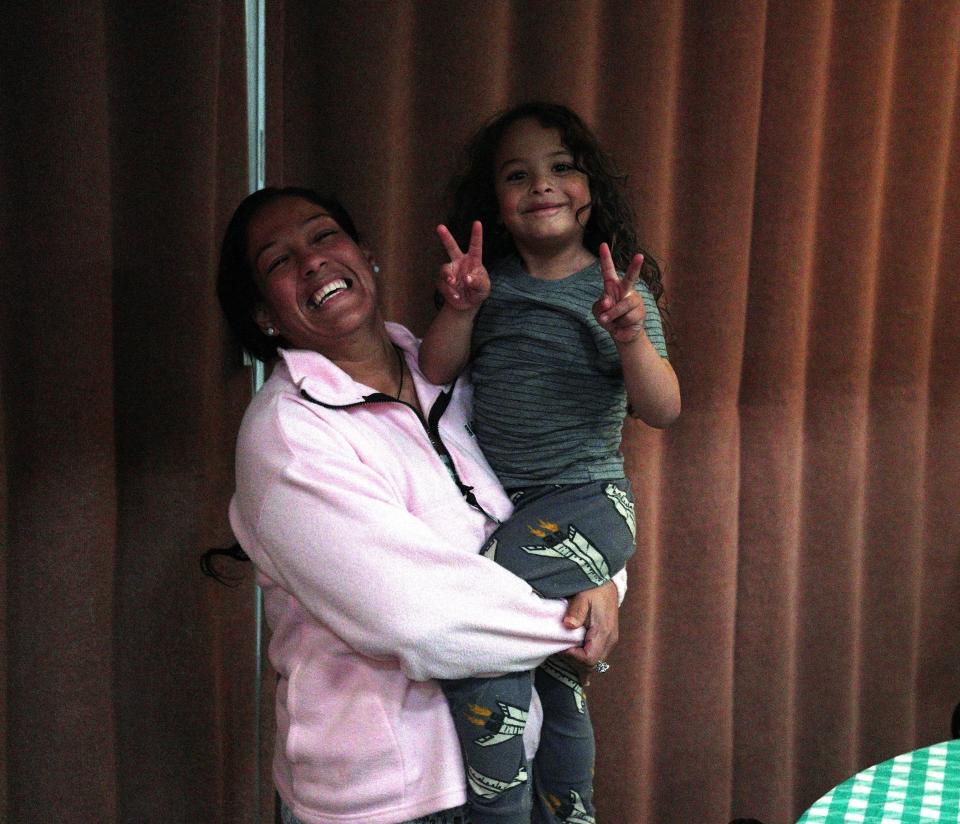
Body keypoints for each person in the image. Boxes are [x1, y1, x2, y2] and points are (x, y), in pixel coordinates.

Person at [212, 185, 625, 824]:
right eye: (278, 261)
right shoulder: (286, 435)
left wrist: (606, 581)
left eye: (324, 236)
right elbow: (422, 622)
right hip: (388, 798)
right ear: (264, 315)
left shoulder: (456, 363)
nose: (312, 261)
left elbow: (566, 483)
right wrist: (577, 620)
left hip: (519, 752)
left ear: (365, 255)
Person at [418, 102, 681, 824]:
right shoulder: (491, 285)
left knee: (479, 643)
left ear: (590, 188)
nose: (543, 185)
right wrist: (462, 308)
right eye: (518, 175)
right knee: (558, 685)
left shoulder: (615, 293)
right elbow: (436, 372)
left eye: (562, 168)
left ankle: (498, 817)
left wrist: (629, 336)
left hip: (589, 501)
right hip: (517, 510)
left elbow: (663, 409)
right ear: (497, 206)